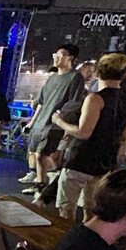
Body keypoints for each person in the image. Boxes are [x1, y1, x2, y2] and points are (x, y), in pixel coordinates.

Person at [51, 53, 126, 220]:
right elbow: (125, 137)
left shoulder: (95, 99)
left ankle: (65, 243)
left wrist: (59, 121)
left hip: (80, 160)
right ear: (124, 74)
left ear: (98, 72)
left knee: (66, 210)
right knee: (92, 210)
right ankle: (85, 242)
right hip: (104, 163)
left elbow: (84, 132)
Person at [22, 45, 85, 191]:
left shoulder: (75, 77)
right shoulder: (53, 78)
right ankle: (41, 183)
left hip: (55, 124)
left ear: (70, 58)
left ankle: (44, 184)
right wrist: (33, 117)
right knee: (36, 154)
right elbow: (41, 100)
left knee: (42, 154)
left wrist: (62, 120)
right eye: (55, 54)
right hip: (41, 122)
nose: (56, 57)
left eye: (61, 54)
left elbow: (74, 102)